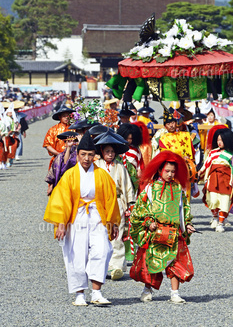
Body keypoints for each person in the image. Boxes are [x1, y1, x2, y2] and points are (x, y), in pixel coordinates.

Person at [43, 132, 121, 307]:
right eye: (83, 154)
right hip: (76, 217)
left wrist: (113, 223)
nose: (87, 158)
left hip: (97, 216)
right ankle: (79, 294)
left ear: (95, 156)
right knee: (76, 254)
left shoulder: (102, 175)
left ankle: (97, 292)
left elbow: (111, 200)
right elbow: (61, 201)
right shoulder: (69, 175)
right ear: (77, 154)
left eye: (90, 154)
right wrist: (61, 224)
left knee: (103, 250)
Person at [130, 151, 195, 304]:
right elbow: (141, 208)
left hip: (174, 232)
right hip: (155, 231)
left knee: (175, 262)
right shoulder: (150, 188)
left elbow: (184, 209)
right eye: (167, 171)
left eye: (173, 171)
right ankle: (147, 289)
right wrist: (148, 222)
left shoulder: (179, 189)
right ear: (160, 170)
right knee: (151, 261)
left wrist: (188, 224)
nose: (170, 174)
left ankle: (175, 293)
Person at [96, 131, 135, 280]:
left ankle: (117, 266)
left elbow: (127, 187)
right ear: (101, 152)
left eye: (112, 151)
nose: (110, 154)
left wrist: (129, 205)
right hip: (100, 202)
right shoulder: (96, 166)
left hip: (117, 202)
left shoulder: (120, 167)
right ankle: (101, 266)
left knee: (117, 234)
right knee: (101, 234)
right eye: (107, 151)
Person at [199, 128, 233, 232]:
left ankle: (220, 223)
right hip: (213, 178)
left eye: (222, 140)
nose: (219, 142)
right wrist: (200, 172)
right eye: (218, 140)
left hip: (226, 179)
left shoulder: (232, 154)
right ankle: (215, 217)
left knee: (225, 200)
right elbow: (206, 164)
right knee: (212, 200)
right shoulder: (212, 152)